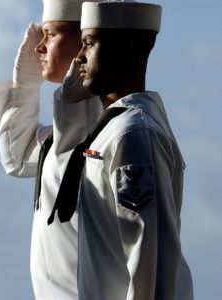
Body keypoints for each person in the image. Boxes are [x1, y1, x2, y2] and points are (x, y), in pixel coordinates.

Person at [52, 1, 194, 299]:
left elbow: (150, 262)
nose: (79, 56)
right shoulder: (113, 128)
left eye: (89, 43)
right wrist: (67, 103)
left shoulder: (134, 135)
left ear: (126, 48)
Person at [0, 0, 100, 299]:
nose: (39, 47)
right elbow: (18, 157)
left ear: (86, 42)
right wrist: (25, 84)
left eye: (51, 34)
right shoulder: (68, 130)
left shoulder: (110, 131)